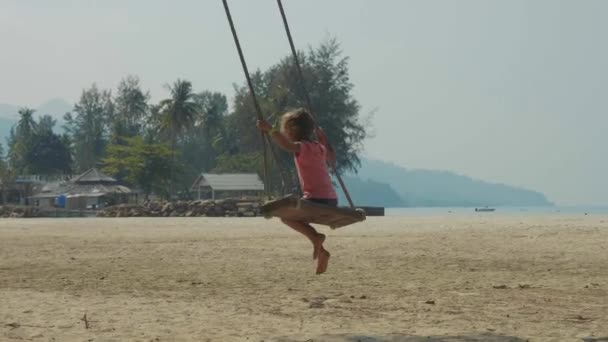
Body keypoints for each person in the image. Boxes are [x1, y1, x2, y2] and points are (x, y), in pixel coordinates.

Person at [256, 108, 337, 274]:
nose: (284, 132)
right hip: (331, 200)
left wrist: (269, 129)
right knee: (296, 215)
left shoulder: (303, 147)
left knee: (285, 217)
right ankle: (321, 252)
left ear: (293, 129)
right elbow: (332, 158)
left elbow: (286, 145)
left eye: (285, 129)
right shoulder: (319, 147)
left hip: (315, 200)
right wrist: (324, 140)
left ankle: (316, 237)